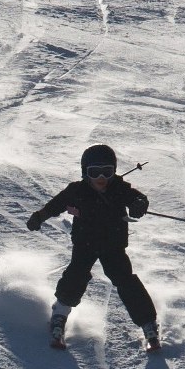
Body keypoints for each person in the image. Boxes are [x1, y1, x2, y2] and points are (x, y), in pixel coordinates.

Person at [26, 144, 160, 350]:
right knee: (76, 276)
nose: (101, 177)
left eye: (107, 171)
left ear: (114, 171)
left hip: (113, 246)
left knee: (126, 281)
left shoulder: (119, 189)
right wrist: (39, 217)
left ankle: (148, 323)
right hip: (85, 244)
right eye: (94, 172)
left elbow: (138, 198)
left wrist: (139, 205)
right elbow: (55, 205)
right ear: (84, 172)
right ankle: (59, 315)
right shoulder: (76, 191)